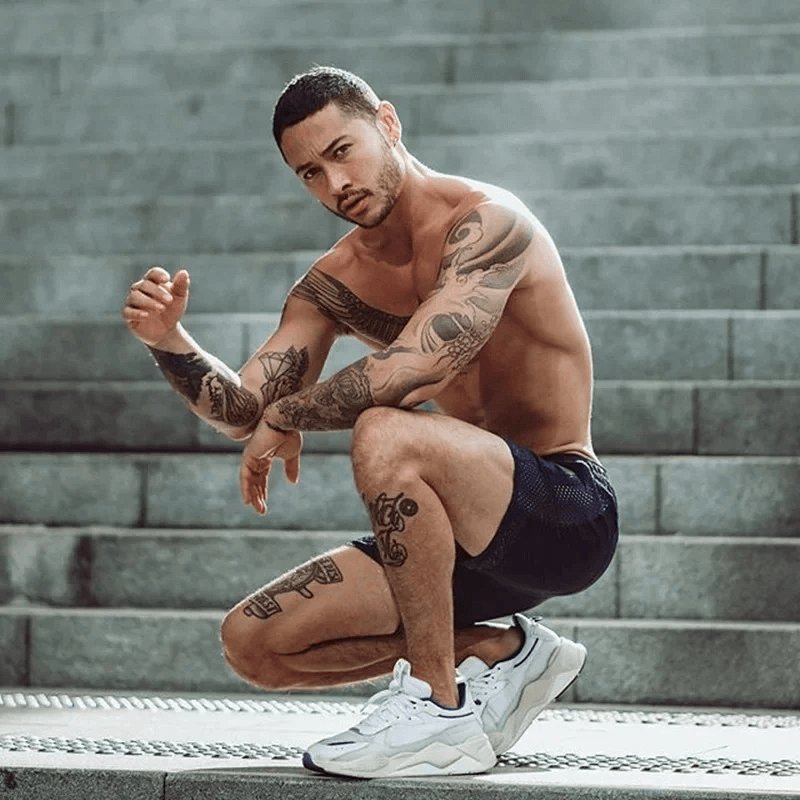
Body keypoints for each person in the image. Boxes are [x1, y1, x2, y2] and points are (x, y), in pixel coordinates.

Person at [122, 66, 618, 779]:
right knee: (256, 642)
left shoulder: (488, 223)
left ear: (387, 123)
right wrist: (169, 342)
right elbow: (246, 411)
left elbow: (416, 366)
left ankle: (438, 708)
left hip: (562, 510)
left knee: (386, 428)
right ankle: (499, 651)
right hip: (450, 539)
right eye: (310, 173)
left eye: (342, 151)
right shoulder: (334, 281)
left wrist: (290, 414)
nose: (335, 184)